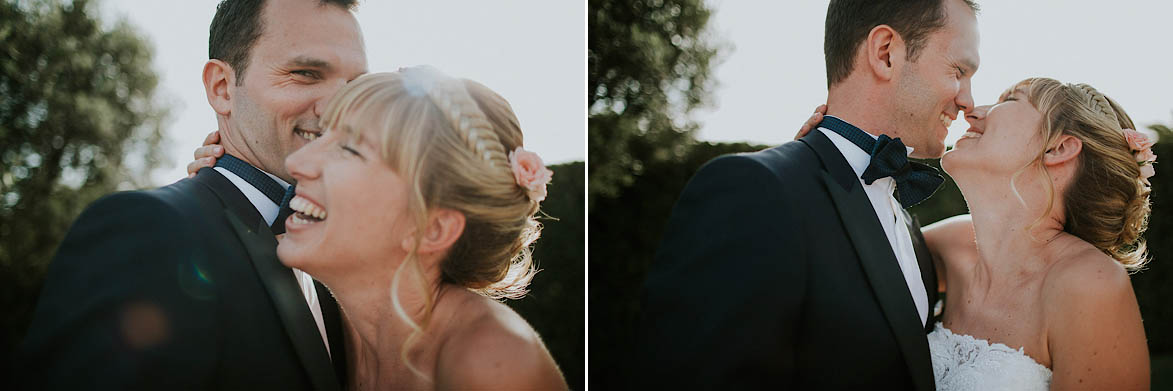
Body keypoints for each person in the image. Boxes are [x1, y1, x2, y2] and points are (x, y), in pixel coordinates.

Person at [17, 0, 366, 389]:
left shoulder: (343, 254)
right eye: (305, 73)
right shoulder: (147, 231)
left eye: (356, 86)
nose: (341, 109)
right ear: (221, 88)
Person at [637, 0, 979, 389]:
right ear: (886, 53)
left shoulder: (903, 222)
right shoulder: (754, 191)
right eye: (958, 71)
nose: (967, 100)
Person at [272, 66, 566, 389]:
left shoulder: (493, 364)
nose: (295, 163)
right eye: (322, 135)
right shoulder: (332, 328)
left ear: (433, 228)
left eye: (349, 150)